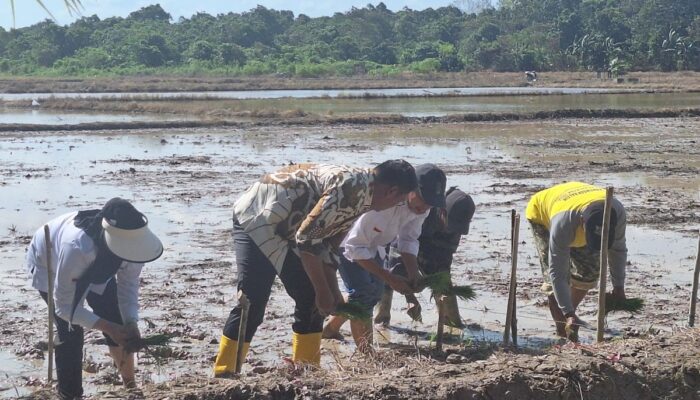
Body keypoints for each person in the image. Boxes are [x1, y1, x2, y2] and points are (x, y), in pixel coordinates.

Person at [213, 161, 418, 376]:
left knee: (311, 299)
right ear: (392, 191)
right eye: (400, 201)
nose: (397, 206)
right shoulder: (351, 188)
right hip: (258, 218)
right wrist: (323, 291)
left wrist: (332, 289)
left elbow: (329, 243)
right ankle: (225, 372)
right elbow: (307, 241)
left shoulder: (367, 195)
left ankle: (307, 370)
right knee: (253, 300)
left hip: (291, 227)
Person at [26, 198, 163, 399]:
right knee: (70, 331)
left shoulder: (135, 245)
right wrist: (107, 328)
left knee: (117, 317)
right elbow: (64, 308)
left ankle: (131, 387)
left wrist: (130, 321)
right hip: (51, 263)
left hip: (99, 266)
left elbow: (128, 287)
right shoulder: (77, 247)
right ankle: (70, 394)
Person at [322, 164, 447, 353]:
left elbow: (408, 238)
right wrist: (390, 278)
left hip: (376, 245)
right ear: (412, 189)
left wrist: (413, 273)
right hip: (346, 242)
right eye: (423, 200)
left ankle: (330, 330)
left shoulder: (421, 208)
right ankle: (366, 353)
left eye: (431, 203)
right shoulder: (382, 205)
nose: (425, 207)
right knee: (363, 293)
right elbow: (355, 247)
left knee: (375, 292)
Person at [525, 182, 628, 341]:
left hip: (580, 203)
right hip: (543, 215)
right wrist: (568, 312)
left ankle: (569, 317)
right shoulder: (562, 224)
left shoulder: (617, 212)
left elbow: (618, 250)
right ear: (582, 222)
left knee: (589, 273)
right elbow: (557, 272)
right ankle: (563, 332)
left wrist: (619, 287)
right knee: (555, 282)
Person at [375, 187, 476, 328]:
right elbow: (398, 255)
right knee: (388, 277)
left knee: (443, 282)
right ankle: (381, 320)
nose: (451, 230)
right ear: (442, 211)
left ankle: (452, 324)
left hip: (430, 248)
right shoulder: (422, 210)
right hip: (399, 245)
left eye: (456, 228)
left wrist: (436, 281)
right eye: (450, 224)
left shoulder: (455, 228)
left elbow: (443, 262)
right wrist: (410, 297)